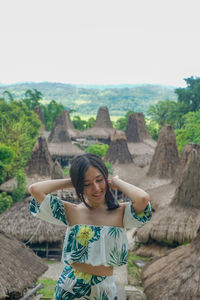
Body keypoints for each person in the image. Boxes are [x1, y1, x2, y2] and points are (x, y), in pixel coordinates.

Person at [29, 153, 152, 300]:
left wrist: (117, 182)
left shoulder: (121, 212)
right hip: (71, 287)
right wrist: (72, 181)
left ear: (106, 178)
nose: (96, 188)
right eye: (87, 184)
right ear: (79, 186)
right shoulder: (72, 211)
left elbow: (143, 198)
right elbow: (35, 190)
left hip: (104, 288)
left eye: (99, 180)